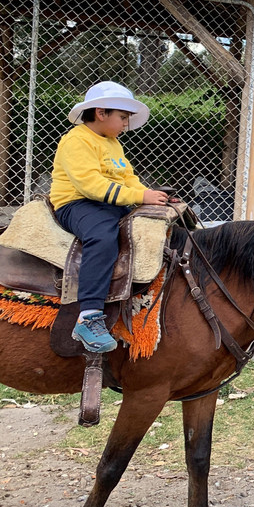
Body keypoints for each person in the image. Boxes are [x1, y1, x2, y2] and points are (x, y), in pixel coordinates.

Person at [49, 81, 169, 353]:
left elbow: (128, 179)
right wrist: (139, 197)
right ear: (101, 113)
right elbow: (89, 185)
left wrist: (150, 195)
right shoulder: (76, 140)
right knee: (102, 236)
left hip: (109, 203)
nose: (126, 124)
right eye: (123, 117)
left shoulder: (112, 143)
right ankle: (88, 315)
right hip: (78, 204)